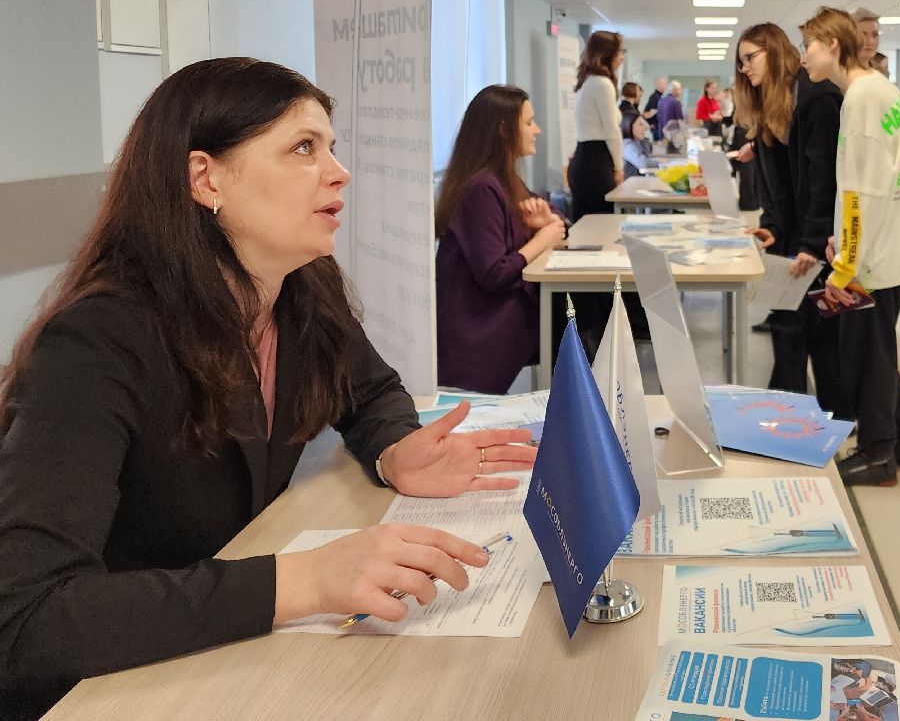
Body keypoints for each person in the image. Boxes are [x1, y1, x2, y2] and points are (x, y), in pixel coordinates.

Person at [0, 58, 537, 721]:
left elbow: (371, 393)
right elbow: (29, 618)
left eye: (331, 147)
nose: (339, 172)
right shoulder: (98, 341)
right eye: (303, 148)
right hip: (103, 691)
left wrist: (395, 449)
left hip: (221, 657)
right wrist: (305, 580)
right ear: (206, 179)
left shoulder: (300, 290)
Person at [801, 7, 900, 487]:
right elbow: (884, 178)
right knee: (879, 352)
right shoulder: (883, 88)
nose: (803, 58)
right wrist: (844, 235)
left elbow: (861, 192)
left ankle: (878, 454)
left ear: (832, 44)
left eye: (809, 46)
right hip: (890, 245)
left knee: (863, 359)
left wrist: (845, 265)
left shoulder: (858, 99)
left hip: (870, 258)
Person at [733, 24, 844, 411]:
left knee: (812, 334)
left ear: (775, 51)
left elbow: (824, 182)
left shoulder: (815, 97)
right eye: (741, 61)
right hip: (797, 238)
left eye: (751, 57)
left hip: (821, 242)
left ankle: (818, 414)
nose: (745, 68)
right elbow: (781, 185)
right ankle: (804, 412)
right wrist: (774, 228)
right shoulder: (772, 107)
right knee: (793, 331)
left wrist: (811, 243)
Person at [435, 85, 568, 392]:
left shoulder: (504, 180)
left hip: (496, 331)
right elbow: (494, 273)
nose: (537, 130)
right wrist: (542, 238)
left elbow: (557, 217)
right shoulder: (481, 188)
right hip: (477, 343)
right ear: (505, 130)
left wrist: (544, 224)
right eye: (529, 122)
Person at [568, 30, 625, 221]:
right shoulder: (602, 84)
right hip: (596, 163)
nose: (621, 58)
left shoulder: (587, 82)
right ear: (606, 55)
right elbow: (611, 130)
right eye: (618, 52)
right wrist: (619, 167)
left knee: (584, 225)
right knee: (605, 223)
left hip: (582, 159)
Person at [621, 112, 652, 179]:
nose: (645, 127)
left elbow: (647, 157)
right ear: (629, 125)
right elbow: (644, 164)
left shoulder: (636, 142)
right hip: (629, 184)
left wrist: (644, 140)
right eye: (640, 124)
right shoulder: (627, 145)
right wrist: (664, 164)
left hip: (636, 182)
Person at [656, 80, 685, 149]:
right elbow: (680, 121)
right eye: (680, 89)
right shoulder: (676, 102)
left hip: (661, 135)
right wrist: (685, 133)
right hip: (672, 137)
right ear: (675, 90)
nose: (681, 92)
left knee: (664, 153)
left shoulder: (661, 101)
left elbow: (658, 118)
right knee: (673, 154)